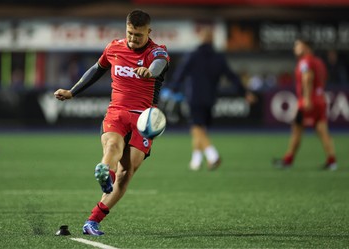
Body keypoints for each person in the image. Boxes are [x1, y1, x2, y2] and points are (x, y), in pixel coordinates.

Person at [53, 9, 169, 236]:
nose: (133, 39)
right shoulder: (113, 47)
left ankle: (92, 221)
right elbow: (97, 70)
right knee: (112, 147)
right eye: (130, 33)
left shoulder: (158, 51)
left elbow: (158, 65)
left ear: (149, 32)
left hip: (143, 118)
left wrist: (148, 71)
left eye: (138, 35)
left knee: (128, 171)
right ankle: (105, 171)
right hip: (116, 112)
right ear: (125, 29)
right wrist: (72, 92)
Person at [162, 26, 254, 171]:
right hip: (210, 98)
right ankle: (196, 160)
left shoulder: (192, 55)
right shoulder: (218, 58)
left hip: (194, 97)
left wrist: (172, 88)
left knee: (197, 128)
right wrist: (245, 92)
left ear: (201, 38)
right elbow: (232, 76)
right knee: (199, 128)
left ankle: (212, 155)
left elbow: (180, 73)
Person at [273, 38, 337, 170]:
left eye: (297, 46)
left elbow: (307, 78)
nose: (294, 48)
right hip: (320, 99)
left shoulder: (304, 62)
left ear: (306, 47)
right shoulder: (319, 62)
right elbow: (323, 78)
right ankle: (332, 161)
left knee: (296, 130)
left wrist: (306, 98)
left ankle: (288, 160)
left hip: (308, 101)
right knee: (323, 131)